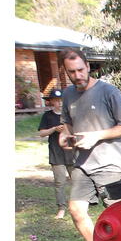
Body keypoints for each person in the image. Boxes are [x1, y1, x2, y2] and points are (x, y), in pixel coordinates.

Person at [57, 48, 121, 241]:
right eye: (72, 72)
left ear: (88, 67)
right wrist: (65, 135)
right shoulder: (68, 95)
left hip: (111, 163)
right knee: (76, 209)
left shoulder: (108, 92)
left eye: (81, 70)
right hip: (83, 163)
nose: (77, 75)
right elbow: (67, 123)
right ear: (66, 72)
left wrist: (96, 136)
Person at [37, 89, 73, 219]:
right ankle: (61, 208)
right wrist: (53, 129)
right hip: (56, 153)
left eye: (61, 100)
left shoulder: (69, 114)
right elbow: (41, 133)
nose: (59, 103)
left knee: (77, 180)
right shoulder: (47, 116)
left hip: (71, 151)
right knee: (60, 182)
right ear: (51, 101)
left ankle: (78, 204)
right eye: (56, 100)